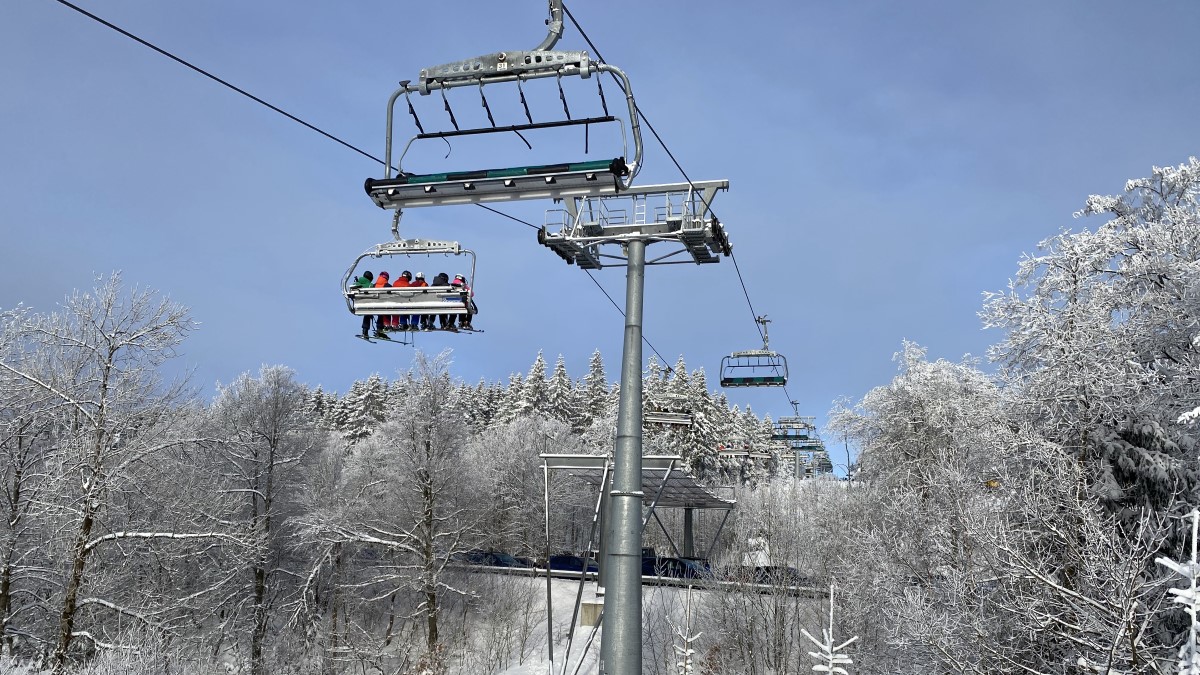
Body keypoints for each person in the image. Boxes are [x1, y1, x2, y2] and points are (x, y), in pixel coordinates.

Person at [352, 270, 374, 338]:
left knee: (367, 312)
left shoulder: (356, 284)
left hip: (357, 305)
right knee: (368, 312)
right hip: (368, 305)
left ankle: (364, 332)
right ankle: (366, 331)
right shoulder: (370, 285)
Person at [372, 271, 390, 336]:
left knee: (380, 312)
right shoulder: (388, 286)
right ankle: (384, 327)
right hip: (385, 306)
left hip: (374, 306)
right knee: (388, 310)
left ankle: (379, 329)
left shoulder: (373, 286)